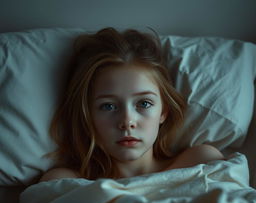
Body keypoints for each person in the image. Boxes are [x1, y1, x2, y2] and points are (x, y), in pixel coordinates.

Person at [39, 27, 224, 182]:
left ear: (164, 111)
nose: (127, 121)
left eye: (144, 103)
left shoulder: (201, 163)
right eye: (108, 106)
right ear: (87, 116)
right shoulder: (64, 184)